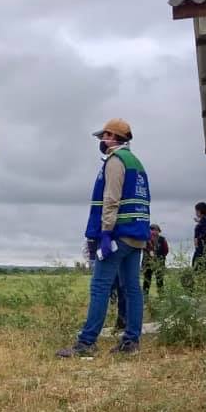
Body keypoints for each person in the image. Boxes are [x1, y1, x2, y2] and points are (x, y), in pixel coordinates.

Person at [57, 118, 151, 358]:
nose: (101, 140)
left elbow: (111, 199)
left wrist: (106, 233)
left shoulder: (115, 161)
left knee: (100, 286)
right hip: (136, 235)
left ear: (114, 137)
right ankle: (131, 342)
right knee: (132, 289)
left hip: (118, 234)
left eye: (105, 136)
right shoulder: (136, 163)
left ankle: (86, 343)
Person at [142, 224, 169, 296]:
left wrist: (160, 257)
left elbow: (166, 250)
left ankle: (161, 297)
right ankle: (145, 296)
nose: (155, 232)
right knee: (147, 280)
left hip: (159, 262)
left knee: (160, 280)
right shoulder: (146, 239)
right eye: (153, 230)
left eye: (156, 230)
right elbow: (143, 248)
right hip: (148, 262)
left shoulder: (162, 239)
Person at [192, 202, 206, 271]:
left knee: (197, 267)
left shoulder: (205, 219)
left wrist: (198, 238)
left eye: (196, 211)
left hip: (202, 247)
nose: (195, 213)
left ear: (199, 211)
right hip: (204, 246)